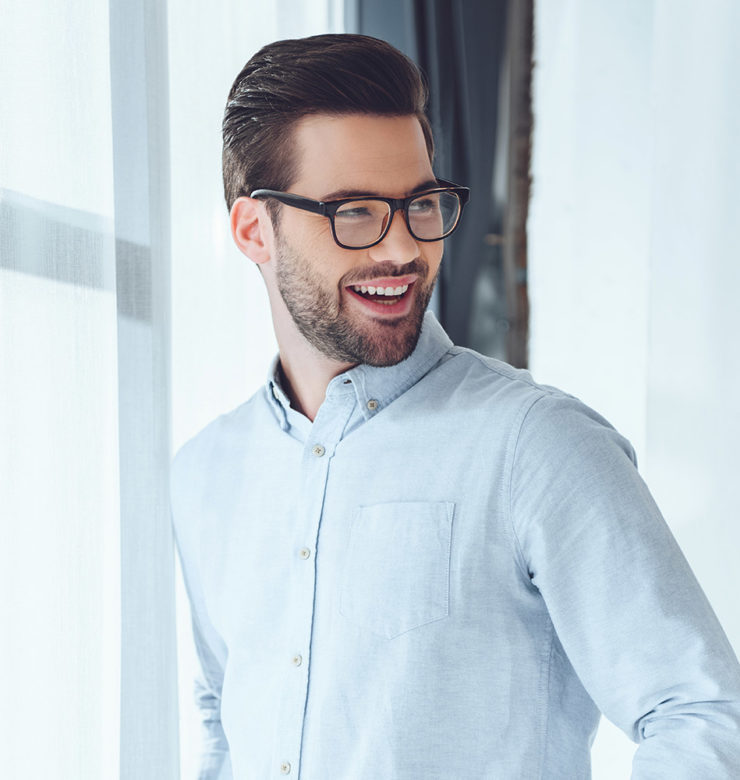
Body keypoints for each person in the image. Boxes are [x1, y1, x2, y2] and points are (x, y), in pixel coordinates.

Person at [170, 33, 740, 779]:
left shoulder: (537, 445)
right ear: (254, 231)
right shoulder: (205, 474)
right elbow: (222, 718)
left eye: (420, 204)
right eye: (354, 212)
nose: (403, 249)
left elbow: (701, 714)